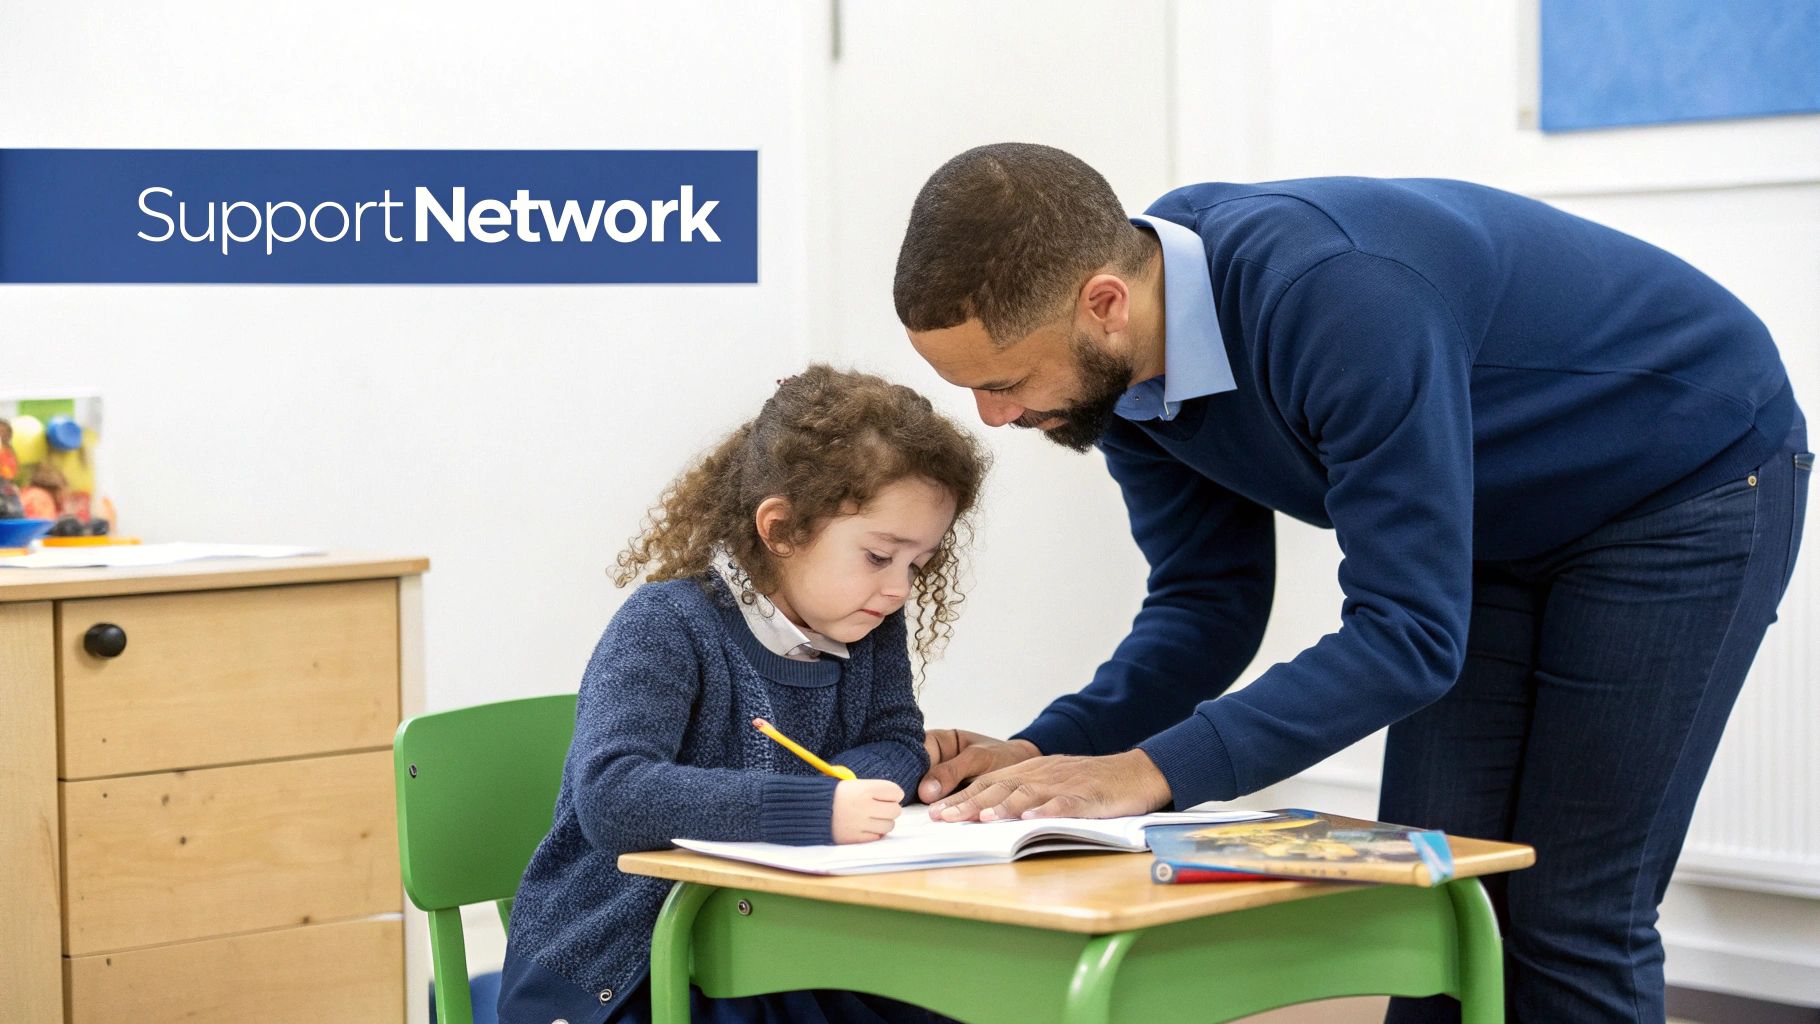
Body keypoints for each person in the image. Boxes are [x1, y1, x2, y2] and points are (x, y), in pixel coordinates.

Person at [893, 143, 1808, 1022]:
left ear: (1103, 303)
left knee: (1568, 916)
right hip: (1493, 518)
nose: (994, 417)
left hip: (1682, 475)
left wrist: (1151, 772)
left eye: (1005, 381)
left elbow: (1407, 633)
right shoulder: (1121, 375)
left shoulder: (1338, 296)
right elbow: (1208, 602)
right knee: (1438, 902)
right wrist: (1047, 753)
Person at [498, 365, 987, 1024]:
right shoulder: (668, 624)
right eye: (879, 556)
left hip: (772, 938)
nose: (899, 589)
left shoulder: (869, 624)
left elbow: (897, 741)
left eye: (917, 564)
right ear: (781, 529)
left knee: (951, 1000)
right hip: (624, 962)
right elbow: (613, 795)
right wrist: (816, 810)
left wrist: (855, 787)